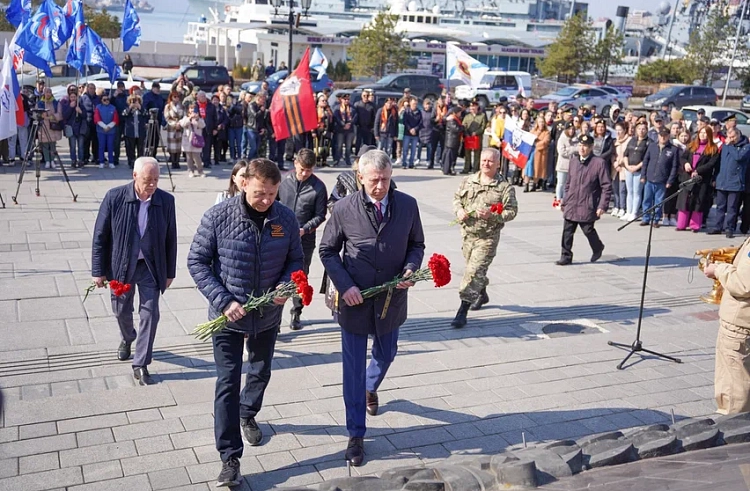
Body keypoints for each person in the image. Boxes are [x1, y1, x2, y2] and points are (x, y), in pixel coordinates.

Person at [187, 158, 303, 487]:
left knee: (261, 371)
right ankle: (229, 457)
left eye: (272, 193)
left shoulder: (285, 218)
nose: (266, 200)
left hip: (266, 316)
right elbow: (196, 260)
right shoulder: (218, 216)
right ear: (243, 184)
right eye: (259, 194)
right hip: (227, 317)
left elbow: (296, 258)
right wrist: (224, 301)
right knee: (227, 382)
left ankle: (248, 412)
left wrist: (286, 285)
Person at [319, 149, 425, 467]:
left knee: (387, 353)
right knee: (351, 371)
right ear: (360, 177)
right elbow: (327, 250)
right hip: (354, 301)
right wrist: (344, 284)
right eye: (374, 180)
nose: (380, 186)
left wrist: (410, 269)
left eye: (385, 179)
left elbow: (416, 244)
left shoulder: (407, 205)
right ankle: (356, 435)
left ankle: (369, 387)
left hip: (391, 298)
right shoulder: (344, 207)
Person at [91, 157, 177, 385]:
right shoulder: (115, 197)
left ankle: (141, 363)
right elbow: (100, 236)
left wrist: (169, 272)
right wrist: (98, 270)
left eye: (156, 180)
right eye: (148, 180)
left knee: (150, 314)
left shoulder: (166, 201)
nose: (152, 185)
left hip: (150, 266)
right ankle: (128, 338)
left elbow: (171, 239)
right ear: (134, 176)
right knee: (121, 310)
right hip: (121, 265)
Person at [451, 148, 518, 328]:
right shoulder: (468, 181)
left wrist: (492, 216)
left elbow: (512, 211)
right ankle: (482, 292)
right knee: (474, 270)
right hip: (467, 235)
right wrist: (459, 210)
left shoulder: (504, 187)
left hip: (487, 237)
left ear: (498, 164)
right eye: (483, 160)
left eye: (490, 161)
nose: (486, 164)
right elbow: (457, 198)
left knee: (473, 271)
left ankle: (462, 309)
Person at [277, 148, 328, 330]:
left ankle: (296, 312)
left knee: (300, 276)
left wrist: (304, 229)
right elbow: (272, 205)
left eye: (309, 170)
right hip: (280, 236)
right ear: (295, 164)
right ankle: (274, 316)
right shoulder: (283, 180)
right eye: (302, 169)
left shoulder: (318, 187)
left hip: (304, 240)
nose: (305, 173)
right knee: (277, 275)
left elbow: (320, 215)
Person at [703, 236, 750, 415]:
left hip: (740, 326)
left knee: (734, 395)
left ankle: (735, 440)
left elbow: (743, 284)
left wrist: (719, 269)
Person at [556, 134, 611, 266]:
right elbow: (568, 183)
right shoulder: (574, 161)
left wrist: (602, 205)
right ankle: (566, 255)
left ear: (591, 147)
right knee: (567, 231)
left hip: (587, 203)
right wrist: (564, 200)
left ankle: (597, 247)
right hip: (572, 202)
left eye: (585, 146)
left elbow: (606, 186)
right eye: (580, 145)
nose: (582, 148)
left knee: (588, 230)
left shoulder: (598, 163)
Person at [675, 127, 720, 232]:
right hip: (688, 176)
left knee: (698, 202)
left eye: (705, 133)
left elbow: (711, 164)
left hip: (702, 179)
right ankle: (681, 224)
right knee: (684, 200)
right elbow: (683, 157)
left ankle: (695, 225)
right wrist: (686, 164)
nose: (703, 135)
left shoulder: (713, 148)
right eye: (701, 133)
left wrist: (698, 170)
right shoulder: (692, 145)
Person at [709, 128, 750, 238]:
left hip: (735, 183)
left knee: (732, 208)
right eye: (729, 137)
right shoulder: (725, 146)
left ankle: (729, 228)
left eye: (733, 137)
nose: (731, 139)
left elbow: (738, 157)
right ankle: (718, 226)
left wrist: (731, 145)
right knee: (720, 206)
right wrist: (715, 178)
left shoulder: (745, 146)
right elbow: (719, 163)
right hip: (722, 181)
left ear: (738, 135)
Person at [640, 128, 680, 228]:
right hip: (649, 178)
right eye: (661, 135)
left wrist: (670, 180)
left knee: (659, 201)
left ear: (668, 136)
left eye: (665, 135)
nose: (663, 137)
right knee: (647, 200)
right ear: (658, 136)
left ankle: (656, 219)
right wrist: (643, 175)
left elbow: (674, 167)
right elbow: (645, 161)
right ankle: (646, 218)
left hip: (662, 180)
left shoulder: (673, 149)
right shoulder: (652, 146)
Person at [622, 122, 649, 222]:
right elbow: (626, 154)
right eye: (639, 129)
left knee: (637, 192)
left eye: (643, 129)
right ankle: (628, 212)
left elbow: (646, 158)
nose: (641, 131)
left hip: (639, 170)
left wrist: (636, 167)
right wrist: (627, 166)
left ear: (646, 130)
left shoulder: (648, 142)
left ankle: (634, 212)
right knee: (629, 192)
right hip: (629, 169)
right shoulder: (632, 140)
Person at [37, 88, 63, 169]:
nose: (48, 94)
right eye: (46, 92)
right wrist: (41, 116)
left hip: (53, 126)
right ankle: (47, 160)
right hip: (43, 126)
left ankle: (52, 160)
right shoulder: (40, 103)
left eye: (49, 92)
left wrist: (50, 117)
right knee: (45, 145)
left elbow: (59, 114)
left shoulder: (55, 103)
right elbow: (35, 114)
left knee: (52, 145)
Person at [61, 91, 87, 169]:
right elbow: (65, 116)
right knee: (72, 146)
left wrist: (80, 111)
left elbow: (85, 116)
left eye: (74, 97)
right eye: (71, 97)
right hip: (71, 129)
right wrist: (70, 108)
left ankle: (80, 160)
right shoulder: (67, 105)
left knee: (80, 146)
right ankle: (73, 160)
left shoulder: (81, 106)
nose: (73, 99)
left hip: (80, 129)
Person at [554, 121, 577, 208]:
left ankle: (567, 200)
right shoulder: (562, 139)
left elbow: (579, 149)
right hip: (563, 165)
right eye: (569, 129)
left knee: (570, 185)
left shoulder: (576, 138)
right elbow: (562, 152)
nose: (571, 131)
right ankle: (559, 200)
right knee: (561, 183)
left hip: (573, 165)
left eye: (573, 129)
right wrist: (572, 149)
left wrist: (571, 149)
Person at [180, 103, 207, 178]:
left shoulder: (199, 118)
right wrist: (189, 118)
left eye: (194, 108)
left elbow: (203, 125)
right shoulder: (185, 117)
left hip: (196, 140)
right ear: (188, 109)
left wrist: (197, 119)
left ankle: (200, 170)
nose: (192, 110)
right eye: (191, 108)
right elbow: (182, 124)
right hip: (187, 140)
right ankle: (190, 170)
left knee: (197, 157)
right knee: (189, 157)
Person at [461, 100, 487, 174]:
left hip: (477, 137)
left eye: (474, 107)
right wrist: (466, 133)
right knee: (467, 154)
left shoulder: (482, 115)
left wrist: (476, 132)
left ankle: (476, 169)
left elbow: (483, 126)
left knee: (477, 154)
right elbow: (463, 125)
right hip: (468, 137)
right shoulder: (467, 116)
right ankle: (466, 168)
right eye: (471, 107)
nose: (472, 108)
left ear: (477, 107)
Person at [610, 121, 630, 218]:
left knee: (623, 189)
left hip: (624, 167)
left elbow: (627, 154)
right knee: (615, 188)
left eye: (620, 130)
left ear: (624, 130)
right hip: (615, 168)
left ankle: (623, 207)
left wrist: (620, 163)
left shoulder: (629, 140)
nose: (618, 132)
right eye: (616, 130)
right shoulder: (614, 141)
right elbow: (612, 154)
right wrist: (614, 162)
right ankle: (616, 206)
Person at [122, 93, 147, 169]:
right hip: (130, 132)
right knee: (130, 149)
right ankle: (131, 162)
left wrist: (140, 107)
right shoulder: (127, 109)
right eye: (133, 101)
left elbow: (146, 114)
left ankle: (140, 162)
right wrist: (130, 108)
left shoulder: (142, 109)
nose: (135, 103)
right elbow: (124, 114)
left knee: (140, 149)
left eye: (137, 101)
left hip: (140, 132)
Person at [94, 94, 119, 169]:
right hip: (101, 131)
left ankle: (111, 162)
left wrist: (109, 126)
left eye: (108, 99)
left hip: (111, 131)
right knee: (101, 146)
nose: (106, 101)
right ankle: (101, 162)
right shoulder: (98, 107)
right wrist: (104, 126)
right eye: (104, 99)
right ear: (101, 100)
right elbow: (97, 118)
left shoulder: (113, 108)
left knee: (110, 146)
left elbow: (115, 119)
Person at [163, 92, 184, 170]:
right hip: (172, 127)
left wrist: (180, 123)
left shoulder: (182, 106)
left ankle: (177, 161)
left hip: (180, 127)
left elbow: (184, 116)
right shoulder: (168, 106)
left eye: (177, 97)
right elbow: (167, 117)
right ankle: (173, 162)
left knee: (178, 145)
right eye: (174, 97)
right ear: (171, 97)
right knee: (172, 146)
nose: (176, 98)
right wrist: (174, 124)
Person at [80, 83, 100, 164]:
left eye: (93, 88)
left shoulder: (98, 98)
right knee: (86, 141)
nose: (92, 90)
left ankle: (95, 157)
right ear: (87, 89)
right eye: (90, 88)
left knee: (96, 141)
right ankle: (85, 157)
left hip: (96, 122)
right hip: (86, 121)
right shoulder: (83, 98)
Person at [333, 93, 355, 167]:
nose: (346, 101)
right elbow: (336, 118)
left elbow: (355, 117)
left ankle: (348, 160)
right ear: (341, 100)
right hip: (340, 130)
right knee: (339, 146)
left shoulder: (352, 107)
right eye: (345, 99)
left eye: (348, 99)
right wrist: (343, 124)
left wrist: (349, 124)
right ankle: (337, 160)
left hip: (350, 130)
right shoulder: (337, 108)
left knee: (348, 146)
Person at [441, 107, 463, 175]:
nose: (460, 114)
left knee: (451, 156)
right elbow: (456, 129)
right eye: (459, 112)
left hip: (453, 140)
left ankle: (448, 169)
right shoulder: (452, 119)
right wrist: (463, 127)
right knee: (449, 156)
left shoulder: (455, 119)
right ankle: (446, 170)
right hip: (451, 140)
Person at [401, 97, 422, 169]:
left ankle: (411, 163)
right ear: (410, 103)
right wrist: (410, 129)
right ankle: (404, 163)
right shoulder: (406, 112)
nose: (414, 105)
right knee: (405, 149)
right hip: (407, 133)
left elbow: (421, 123)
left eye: (416, 104)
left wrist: (415, 129)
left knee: (413, 150)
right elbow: (404, 121)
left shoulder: (419, 112)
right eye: (413, 104)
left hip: (415, 134)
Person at [417, 98, 436, 169]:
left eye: (428, 105)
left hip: (429, 132)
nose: (427, 106)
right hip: (421, 131)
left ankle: (428, 160)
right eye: (426, 105)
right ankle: (418, 159)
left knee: (429, 147)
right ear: (423, 105)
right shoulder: (421, 112)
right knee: (419, 147)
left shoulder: (432, 113)